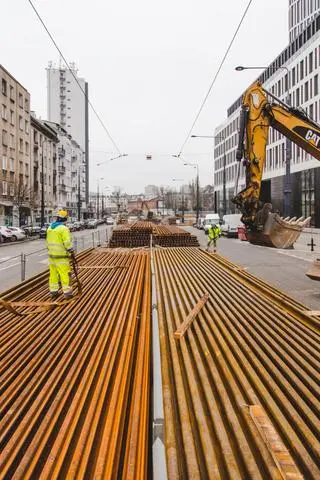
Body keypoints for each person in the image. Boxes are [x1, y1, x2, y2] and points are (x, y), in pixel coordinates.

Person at [46, 210, 74, 299]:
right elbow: (67, 242)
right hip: (61, 256)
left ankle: (53, 291)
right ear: (65, 218)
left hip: (51, 256)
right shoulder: (63, 228)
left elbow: (47, 242)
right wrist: (71, 250)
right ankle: (67, 292)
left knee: (53, 274)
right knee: (65, 273)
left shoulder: (50, 227)